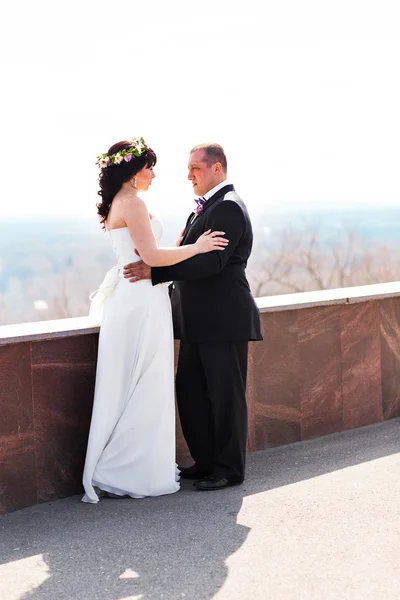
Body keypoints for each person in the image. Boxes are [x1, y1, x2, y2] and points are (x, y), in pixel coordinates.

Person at [82, 138, 228, 503]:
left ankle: (130, 466)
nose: (154, 174)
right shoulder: (132, 202)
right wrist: (197, 247)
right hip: (142, 299)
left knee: (138, 379)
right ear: (133, 171)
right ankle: (127, 470)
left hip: (137, 297)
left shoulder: (122, 202)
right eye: (149, 167)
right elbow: (151, 255)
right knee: (147, 379)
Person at [123, 143, 262, 491]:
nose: (189, 176)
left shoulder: (228, 208)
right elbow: (186, 251)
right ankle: (206, 462)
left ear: (217, 169)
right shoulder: (201, 210)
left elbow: (210, 263)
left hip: (223, 320)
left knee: (225, 396)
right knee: (192, 393)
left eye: (195, 169)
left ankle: (229, 469)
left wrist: (153, 272)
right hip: (196, 321)